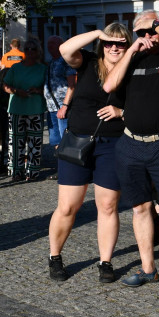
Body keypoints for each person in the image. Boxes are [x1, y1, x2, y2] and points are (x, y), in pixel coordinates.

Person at [103, 10, 159, 297]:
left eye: (152, 30)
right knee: (140, 208)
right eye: (141, 32)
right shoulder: (132, 58)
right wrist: (132, 48)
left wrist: (156, 25)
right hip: (131, 144)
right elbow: (109, 85)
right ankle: (148, 269)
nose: (148, 36)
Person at [47, 24, 130, 283]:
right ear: (102, 44)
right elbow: (64, 49)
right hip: (78, 141)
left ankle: (105, 262)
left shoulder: (133, 70)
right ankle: (55, 256)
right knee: (68, 206)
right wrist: (97, 33)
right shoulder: (88, 62)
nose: (114, 47)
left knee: (107, 205)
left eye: (121, 43)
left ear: (129, 46)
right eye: (109, 43)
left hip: (113, 143)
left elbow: (145, 104)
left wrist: (122, 112)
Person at [3, 38, 47, 181]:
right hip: (16, 109)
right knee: (16, 142)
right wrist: (16, 91)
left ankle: (32, 173)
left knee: (35, 143)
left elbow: (48, 88)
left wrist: (38, 90)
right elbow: (5, 86)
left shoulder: (42, 69)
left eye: (33, 49)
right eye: (27, 48)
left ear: (38, 52)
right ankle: (16, 172)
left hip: (35, 108)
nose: (29, 51)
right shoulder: (16, 67)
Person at [44, 35, 73, 157]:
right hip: (51, 107)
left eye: (52, 44)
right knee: (56, 140)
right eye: (48, 44)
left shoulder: (66, 61)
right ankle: (60, 167)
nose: (49, 46)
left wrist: (65, 105)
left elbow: (73, 84)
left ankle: (68, 168)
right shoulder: (50, 62)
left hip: (62, 106)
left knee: (65, 139)